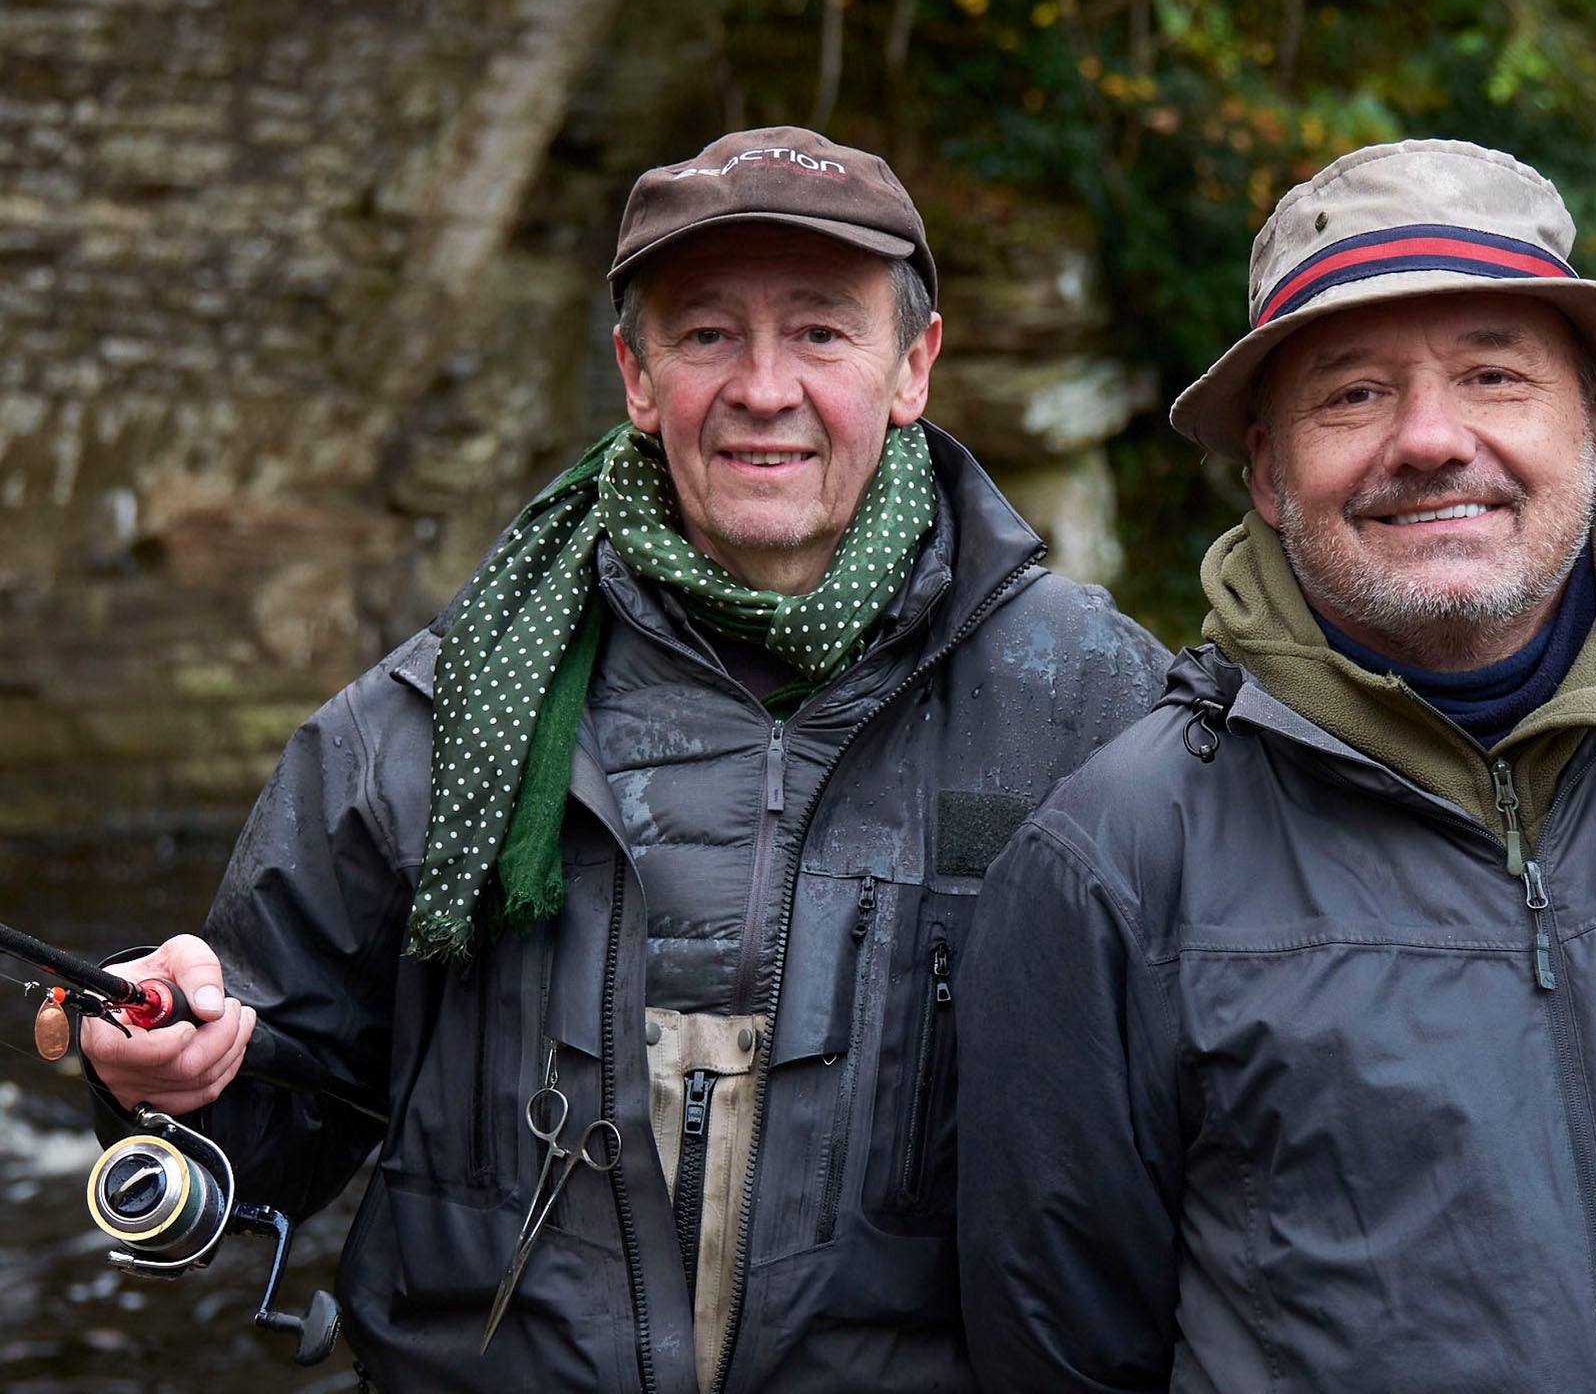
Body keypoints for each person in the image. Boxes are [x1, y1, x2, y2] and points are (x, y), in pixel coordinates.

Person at [81, 126, 1168, 1393]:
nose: (765, 387)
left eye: (821, 332)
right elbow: (265, 1138)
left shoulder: (1096, 703)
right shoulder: (425, 721)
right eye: (707, 335)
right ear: (636, 379)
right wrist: (164, 1078)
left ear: (913, 365)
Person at [955, 138, 1596, 1394]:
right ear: (1265, 471)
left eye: (1492, 375)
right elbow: (1060, 1344)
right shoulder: (1118, 858)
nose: (1428, 439)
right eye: (1350, 394)